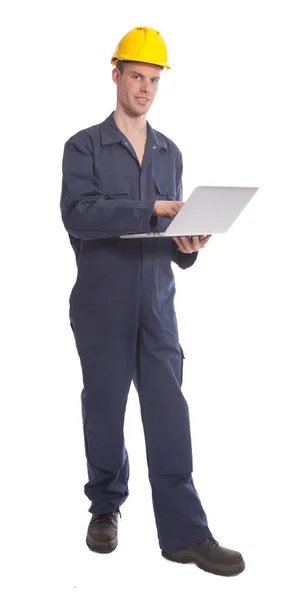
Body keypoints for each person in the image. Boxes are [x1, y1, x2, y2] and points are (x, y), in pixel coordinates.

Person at [60, 26, 245, 577]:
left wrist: (189, 242)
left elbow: (172, 235)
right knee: (105, 408)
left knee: (169, 411)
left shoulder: (169, 151)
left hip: (157, 304)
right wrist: (154, 210)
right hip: (103, 301)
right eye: (136, 76)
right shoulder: (83, 146)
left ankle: (185, 534)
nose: (144, 88)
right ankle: (106, 506)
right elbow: (79, 214)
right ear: (116, 75)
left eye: (153, 80)